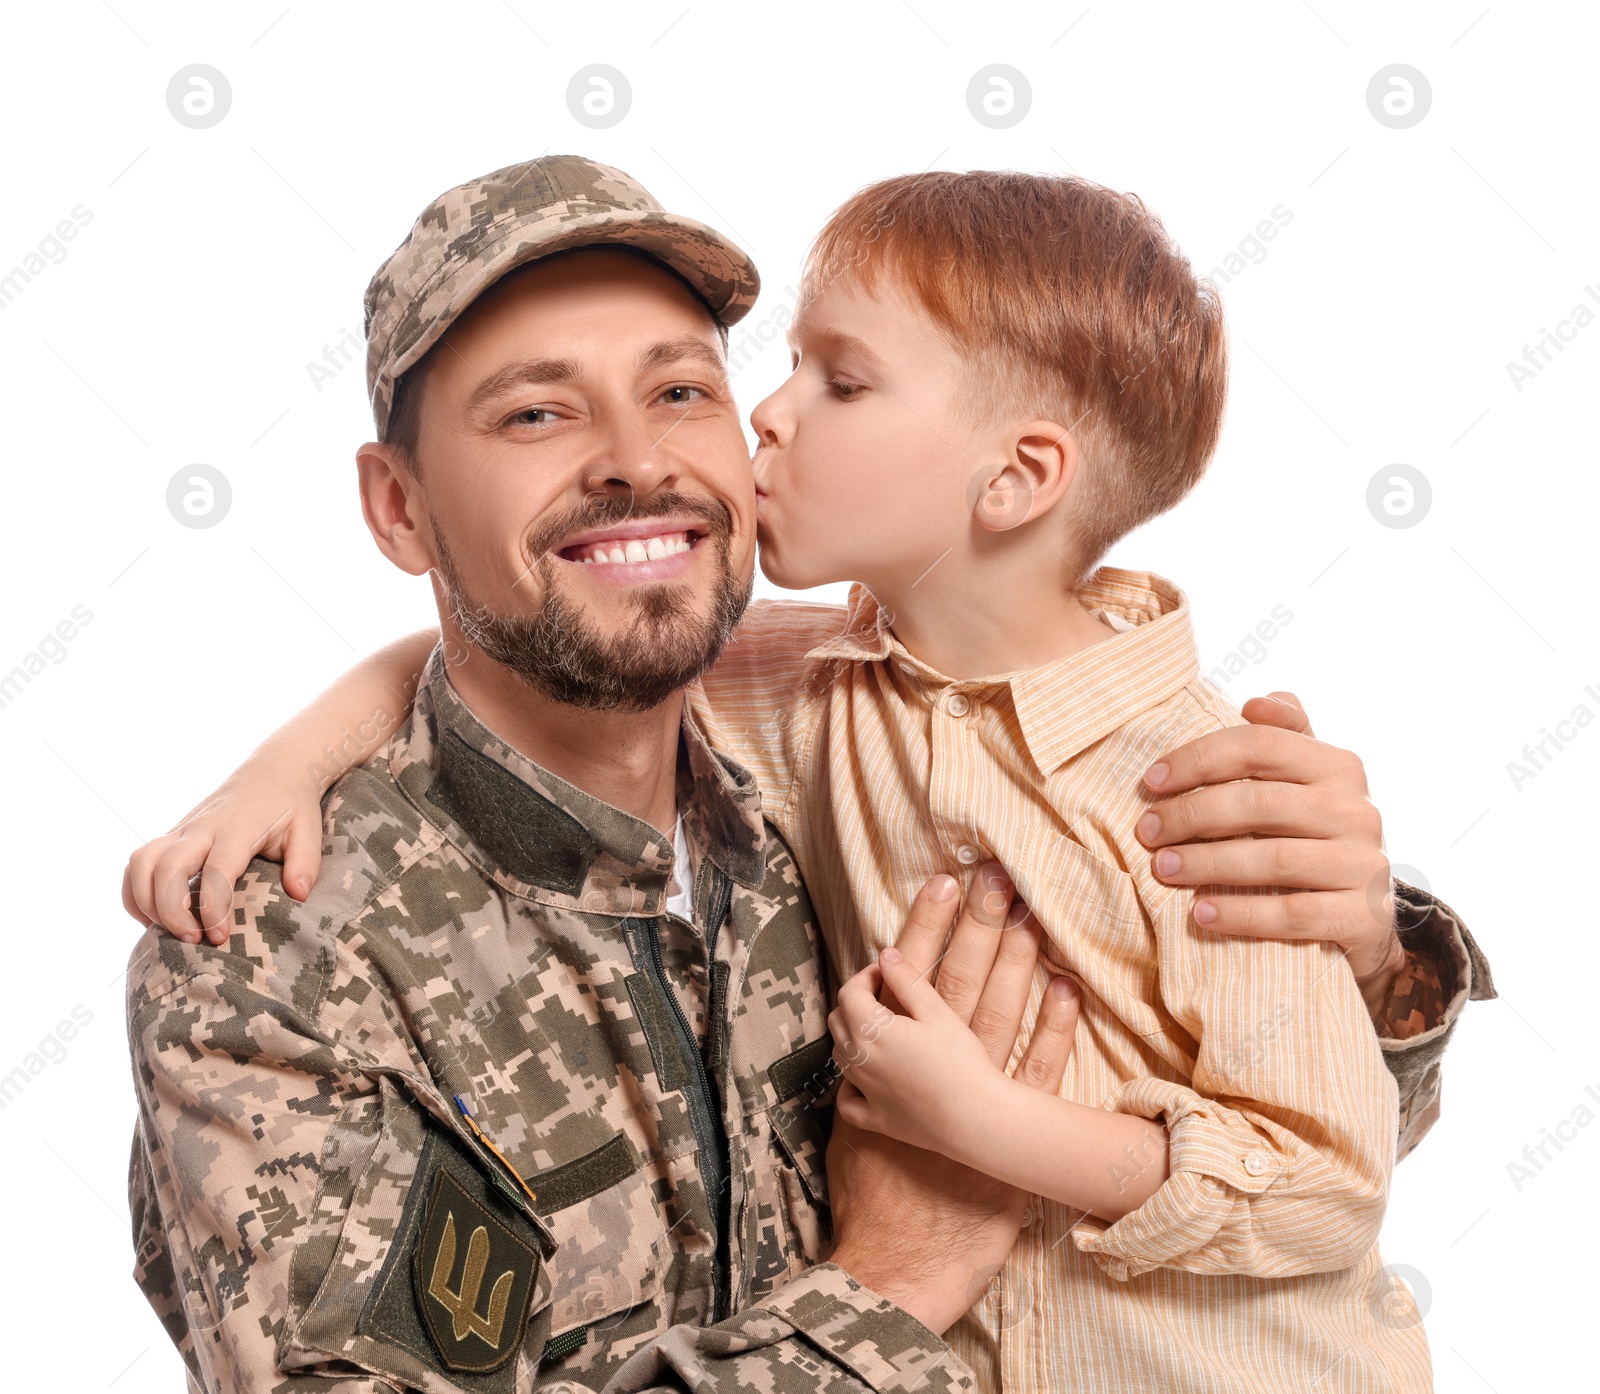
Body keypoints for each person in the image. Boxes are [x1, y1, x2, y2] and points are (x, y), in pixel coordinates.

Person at [124, 158, 1493, 1392]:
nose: (641, 460)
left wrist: (1367, 952)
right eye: (536, 413)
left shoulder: (828, 746)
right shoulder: (274, 951)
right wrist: (891, 1286)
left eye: (680, 390)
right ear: (398, 506)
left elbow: (1302, 1160)